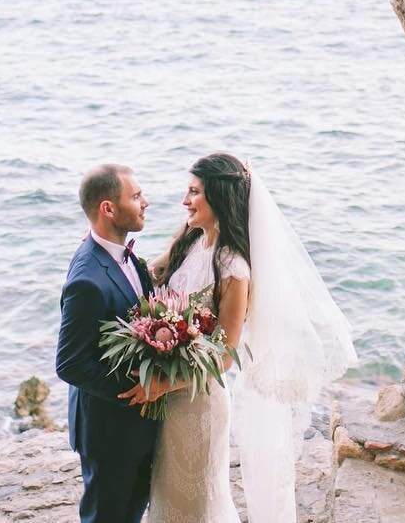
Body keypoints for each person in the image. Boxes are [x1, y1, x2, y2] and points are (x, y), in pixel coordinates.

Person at [131, 153, 358, 523]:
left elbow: (223, 355)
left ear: (219, 196)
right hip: (168, 402)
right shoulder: (189, 243)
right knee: (164, 499)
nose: (184, 201)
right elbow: (146, 275)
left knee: (195, 505)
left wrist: (161, 385)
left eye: (193, 192)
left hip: (197, 403)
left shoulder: (234, 268)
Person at [55, 163, 158, 523]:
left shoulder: (126, 257)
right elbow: (69, 363)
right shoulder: (87, 280)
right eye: (136, 196)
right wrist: (139, 387)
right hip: (109, 431)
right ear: (107, 208)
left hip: (135, 428)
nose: (145, 202)